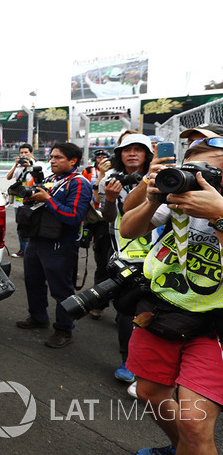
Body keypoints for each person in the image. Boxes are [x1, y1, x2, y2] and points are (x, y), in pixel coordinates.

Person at [119, 133, 223, 455]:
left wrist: (219, 213)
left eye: (210, 173)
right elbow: (128, 229)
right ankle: (182, 448)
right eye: (194, 169)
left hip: (215, 325)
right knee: (149, 393)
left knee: (194, 422)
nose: (197, 179)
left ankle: (190, 444)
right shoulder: (179, 198)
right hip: (162, 310)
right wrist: (153, 197)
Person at [15, 142, 92, 348]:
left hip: (61, 243)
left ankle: (64, 329)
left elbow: (74, 216)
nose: (52, 160)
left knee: (61, 289)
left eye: (58, 157)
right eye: (51, 157)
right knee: (33, 281)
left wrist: (48, 199)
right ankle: (38, 316)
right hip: (37, 238)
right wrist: (30, 196)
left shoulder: (79, 183)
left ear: (72, 161)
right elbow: (32, 204)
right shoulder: (51, 179)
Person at [98, 134, 153, 385]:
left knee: (156, 310)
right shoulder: (110, 181)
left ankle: (153, 363)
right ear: (119, 155)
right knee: (124, 310)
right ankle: (127, 360)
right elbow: (108, 218)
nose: (132, 153)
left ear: (147, 154)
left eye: (137, 149)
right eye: (126, 150)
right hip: (124, 255)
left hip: (160, 256)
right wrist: (109, 199)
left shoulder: (162, 178)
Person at [80, 149, 113, 319]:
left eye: (104, 156)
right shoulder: (89, 171)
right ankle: (100, 303)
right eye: (98, 156)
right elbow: (97, 199)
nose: (101, 159)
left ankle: (124, 310)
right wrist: (101, 175)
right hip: (103, 223)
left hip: (130, 227)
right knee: (103, 265)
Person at [6, 143, 48, 258]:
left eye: (26, 152)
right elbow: (8, 177)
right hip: (18, 201)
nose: (23, 155)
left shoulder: (38, 164)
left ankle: (32, 251)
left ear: (31, 153)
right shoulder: (18, 165)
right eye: (21, 153)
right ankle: (23, 250)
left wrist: (29, 165)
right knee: (20, 226)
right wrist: (16, 166)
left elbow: (42, 179)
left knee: (33, 225)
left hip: (33, 201)